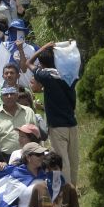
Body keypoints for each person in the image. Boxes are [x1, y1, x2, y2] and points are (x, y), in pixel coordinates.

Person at [23, 43, 79, 185]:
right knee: (73, 159)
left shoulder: (46, 76)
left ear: (42, 64)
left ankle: (67, 190)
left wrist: (42, 49)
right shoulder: (69, 75)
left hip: (57, 125)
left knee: (62, 160)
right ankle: (74, 187)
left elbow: (28, 63)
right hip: (72, 122)